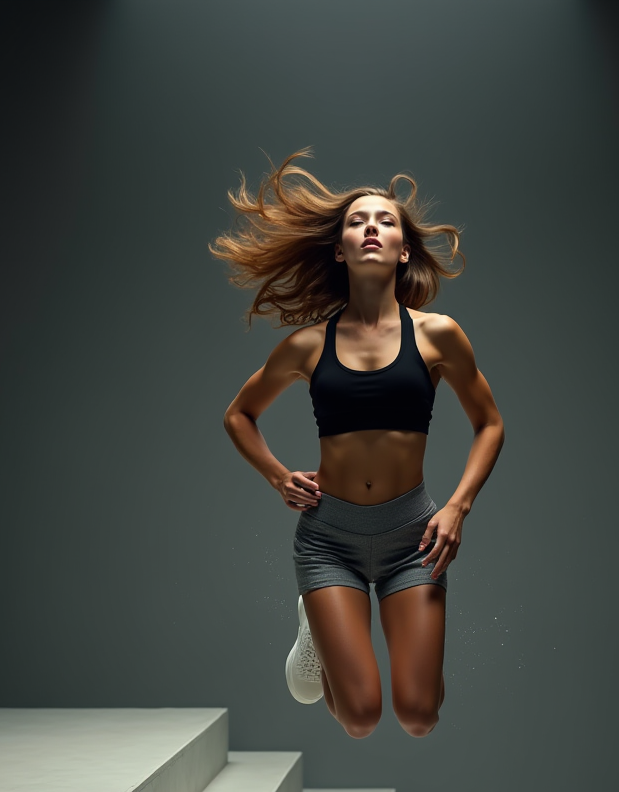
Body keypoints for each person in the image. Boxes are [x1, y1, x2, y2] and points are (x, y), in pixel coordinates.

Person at [214, 149, 504, 739]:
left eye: (386, 220)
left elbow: (490, 423)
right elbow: (239, 414)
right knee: (360, 718)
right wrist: (276, 475)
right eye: (356, 221)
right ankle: (313, 631)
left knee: (419, 715)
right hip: (329, 540)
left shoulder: (438, 335)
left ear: (403, 250)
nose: (370, 226)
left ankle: (398, 658)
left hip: (412, 538)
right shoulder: (306, 346)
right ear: (341, 248)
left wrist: (457, 505)